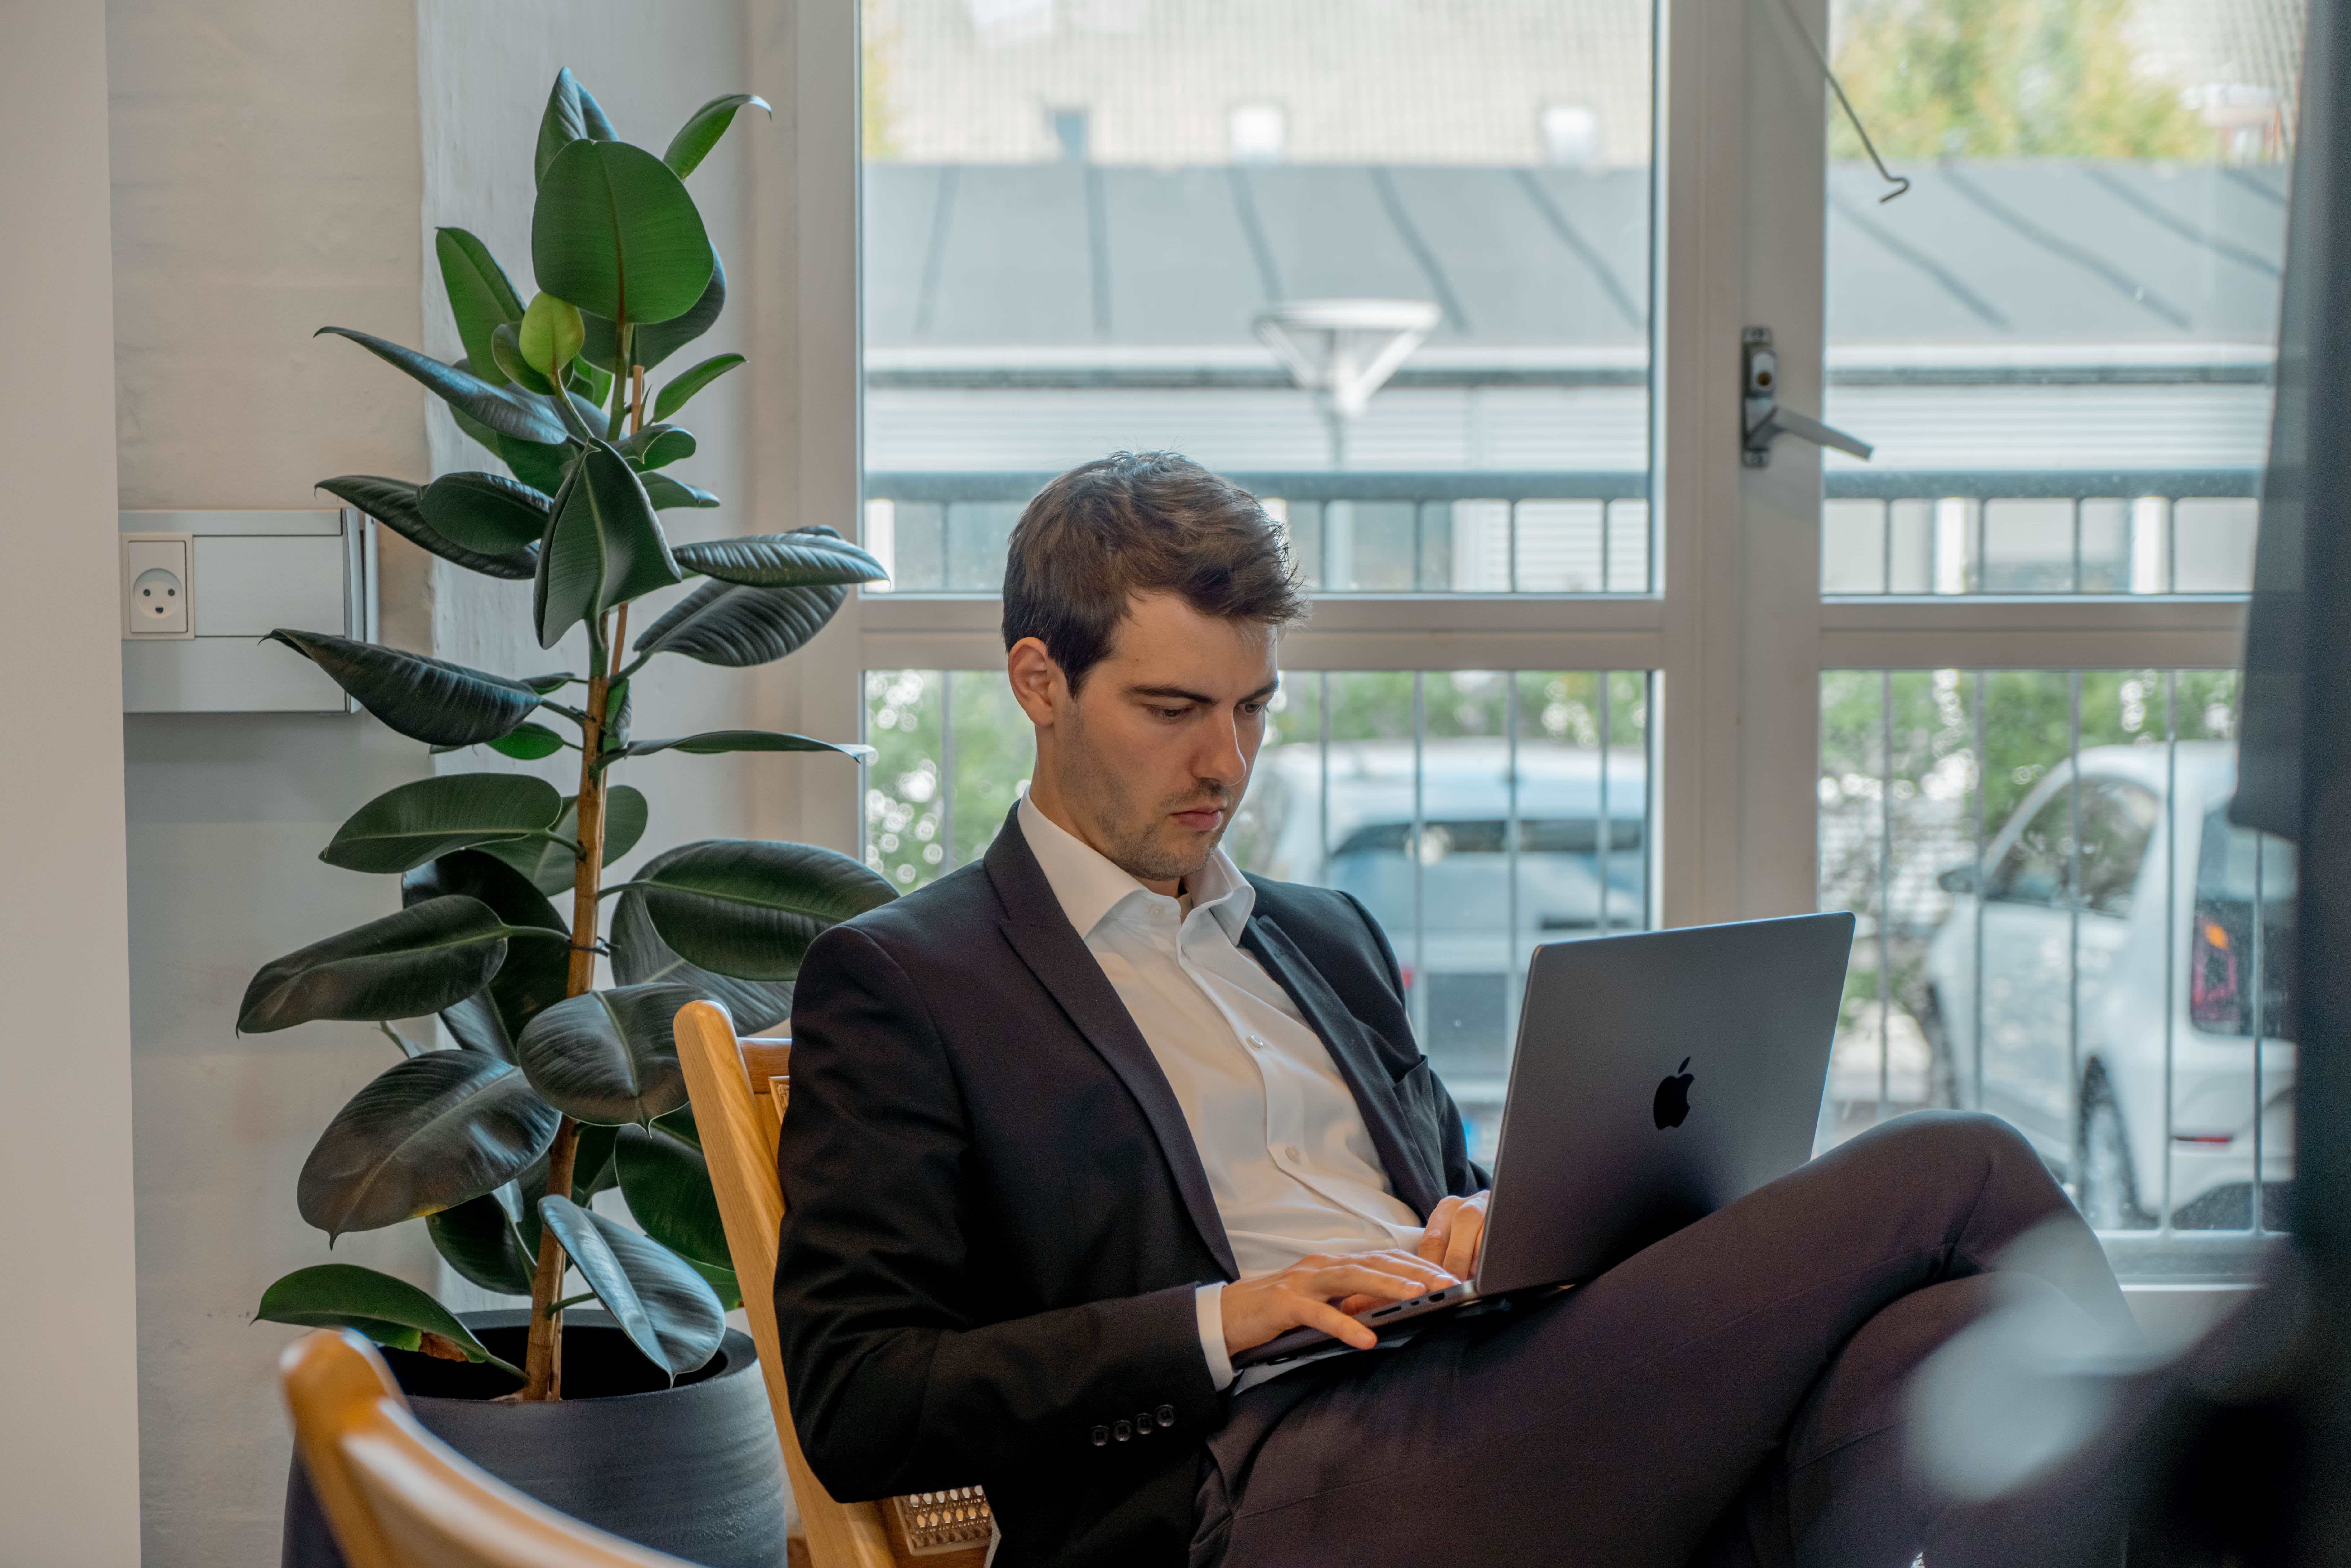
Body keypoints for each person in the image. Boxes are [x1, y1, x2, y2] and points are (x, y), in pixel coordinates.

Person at [775, 452, 2136, 1568]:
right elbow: (856, 1397)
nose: (1225, 760)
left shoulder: (1324, 933)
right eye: (1172, 707)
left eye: (1254, 706)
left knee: (1948, 1349)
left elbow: (1458, 1202)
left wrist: (1488, 1221)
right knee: (1959, 1162)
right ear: (1037, 684)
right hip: (1261, 1487)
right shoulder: (908, 979)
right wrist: (1228, 1317)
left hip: (1491, 1407)